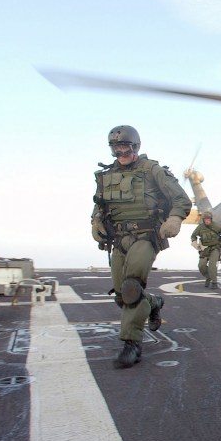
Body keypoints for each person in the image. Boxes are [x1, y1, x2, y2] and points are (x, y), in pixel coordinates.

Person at [91, 125, 191, 368]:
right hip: (119, 239)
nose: (120, 152)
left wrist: (175, 218)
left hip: (146, 236)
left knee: (131, 288)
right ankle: (153, 303)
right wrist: (95, 221)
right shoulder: (106, 175)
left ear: (135, 146)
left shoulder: (152, 170)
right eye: (116, 147)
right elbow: (100, 204)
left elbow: (181, 199)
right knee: (121, 297)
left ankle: (131, 344)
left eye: (124, 146)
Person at [190, 211, 221, 288]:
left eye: (208, 219)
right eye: (205, 219)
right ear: (203, 220)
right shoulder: (200, 227)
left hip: (215, 248)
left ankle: (214, 282)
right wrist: (197, 246)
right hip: (204, 249)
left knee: (212, 265)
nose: (207, 221)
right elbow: (193, 236)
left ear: (211, 219)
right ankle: (208, 277)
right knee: (201, 266)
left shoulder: (217, 225)